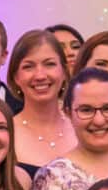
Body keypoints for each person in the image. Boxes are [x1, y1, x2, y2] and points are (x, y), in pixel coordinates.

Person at [6, 28, 77, 171]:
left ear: (64, 72)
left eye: (49, 64)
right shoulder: (5, 133)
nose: (40, 76)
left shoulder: (83, 127)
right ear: (16, 77)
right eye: (28, 67)